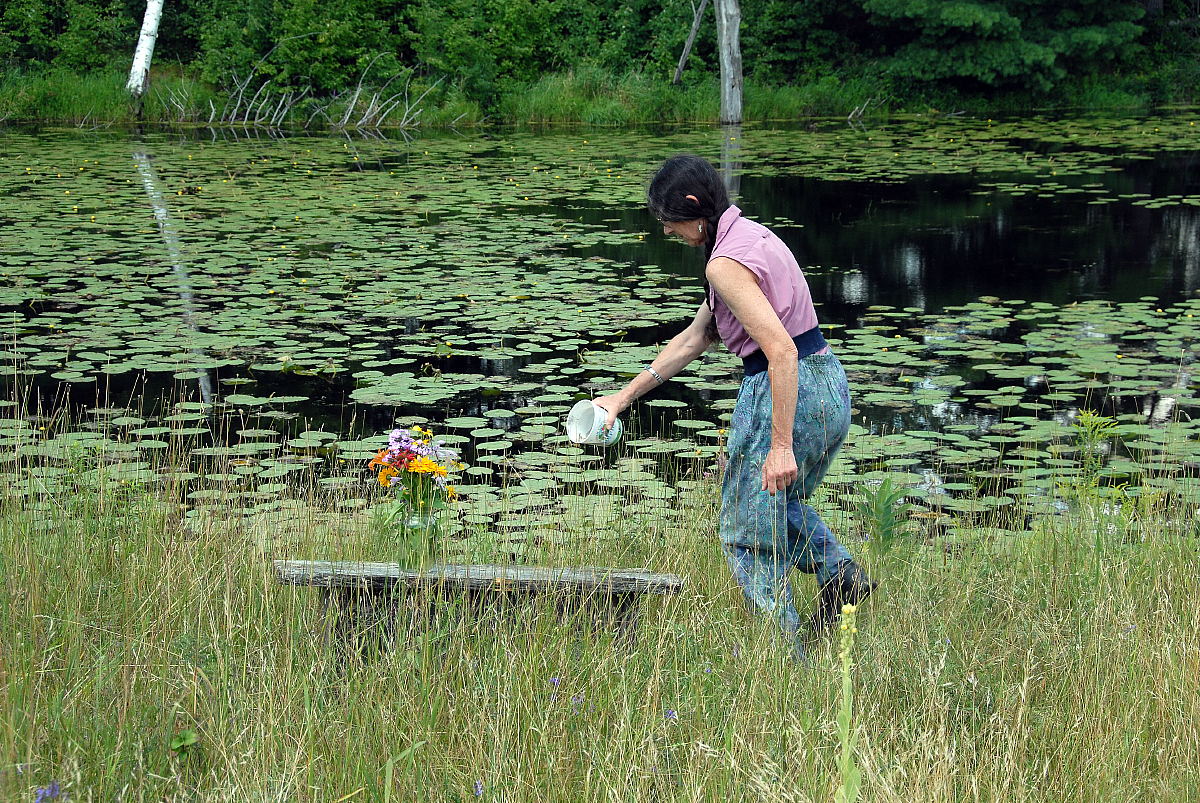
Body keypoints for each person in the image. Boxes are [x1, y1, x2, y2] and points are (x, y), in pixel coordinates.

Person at [592, 155, 875, 661]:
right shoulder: (751, 236)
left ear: (694, 210)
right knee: (773, 507)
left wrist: (781, 444)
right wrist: (624, 397)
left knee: (745, 534)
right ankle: (840, 572)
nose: (667, 230)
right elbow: (697, 336)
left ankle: (788, 659)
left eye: (669, 220)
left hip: (782, 390)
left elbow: (781, 350)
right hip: (827, 382)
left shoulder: (724, 264)